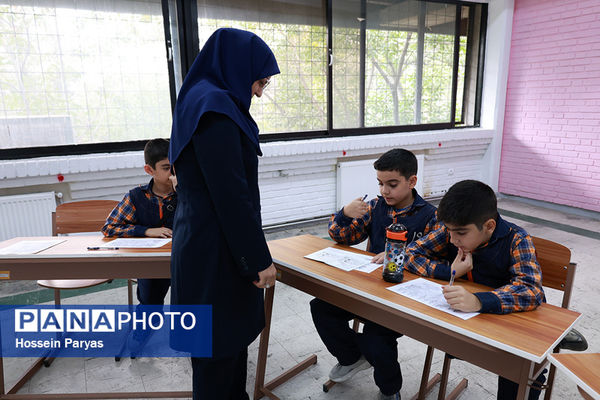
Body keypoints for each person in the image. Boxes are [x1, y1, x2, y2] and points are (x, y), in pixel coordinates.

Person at [168, 28, 278, 400]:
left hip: (206, 242)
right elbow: (232, 195)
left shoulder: (199, 99)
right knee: (217, 353)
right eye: (259, 81)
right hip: (217, 251)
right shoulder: (215, 108)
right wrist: (257, 261)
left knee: (227, 348)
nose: (259, 92)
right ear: (237, 66)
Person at [310, 148, 437, 400]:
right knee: (321, 308)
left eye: (392, 184)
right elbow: (343, 237)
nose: (384, 191)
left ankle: (390, 389)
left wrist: (401, 255)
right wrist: (344, 214)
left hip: (403, 297)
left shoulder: (430, 216)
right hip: (368, 289)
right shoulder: (375, 207)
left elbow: (435, 258)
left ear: (412, 181)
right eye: (380, 184)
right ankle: (352, 357)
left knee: (376, 338)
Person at [404, 179, 546, 400]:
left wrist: (479, 301)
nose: (452, 239)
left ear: (489, 226)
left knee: (523, 368)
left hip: (508, 329)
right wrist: (449, 271)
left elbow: (531, 290)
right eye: (449, 231)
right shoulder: (453, 230)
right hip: (464, 326)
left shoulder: (517, 239)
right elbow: (410, 254)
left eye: (459, 233)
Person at [102, 138, 175, 305]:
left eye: (175, 166)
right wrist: (146, 231)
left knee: (189, 304)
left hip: (183, 261)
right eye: (166, 168)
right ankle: (146, 329)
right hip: (152, 264)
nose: (172, 172)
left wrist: (183, 192)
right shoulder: (137, 196)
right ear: (149, 170)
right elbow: (109, 228)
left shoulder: (187, 192)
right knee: (149, 302)